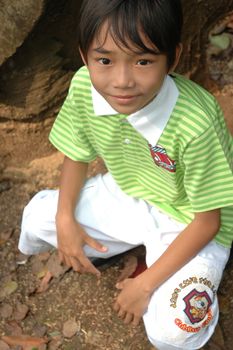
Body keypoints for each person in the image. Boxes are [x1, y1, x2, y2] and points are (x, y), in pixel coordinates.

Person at [18, 0, 233, 349]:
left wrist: (145, 284)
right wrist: (64, 219)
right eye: (105, 60)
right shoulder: (85, 86)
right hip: (133, 193)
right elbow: (76, 152)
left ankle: (164, 268)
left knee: (176, 328)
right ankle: (118, 245)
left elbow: (208, 222)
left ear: (173, 59)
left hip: (191, 221)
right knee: (38, 219)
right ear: (85, 55)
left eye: (143, 61)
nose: (122, 81)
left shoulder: (196, 122)